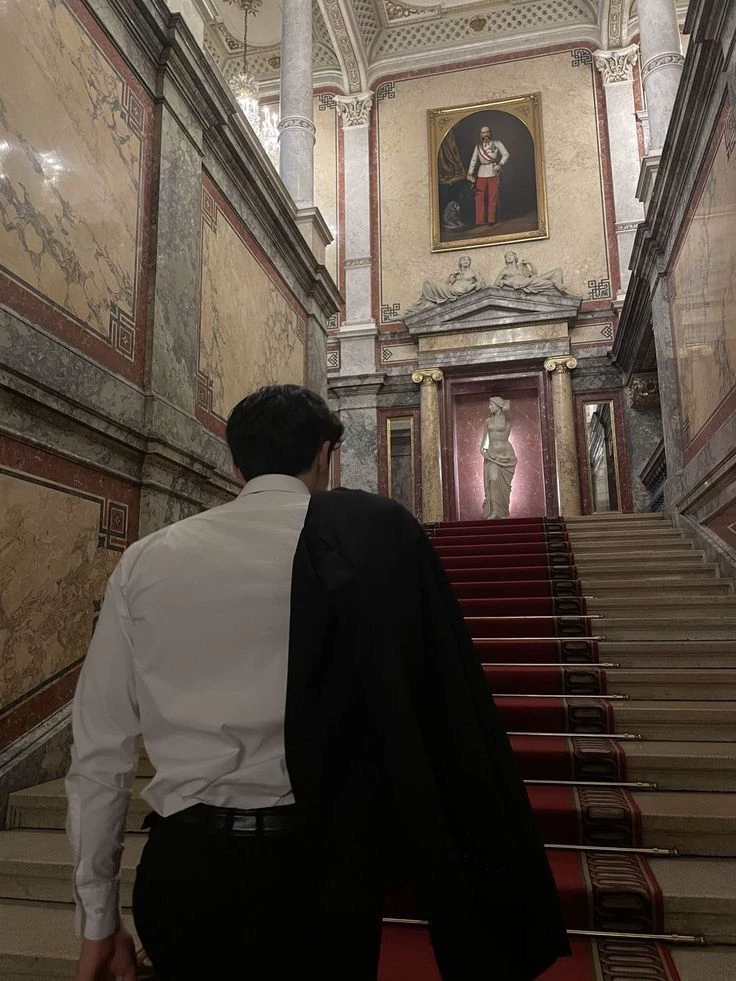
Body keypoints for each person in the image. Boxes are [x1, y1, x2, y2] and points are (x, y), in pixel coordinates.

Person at [65, 383, 569, 981]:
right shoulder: (369, 545)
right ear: (326, 454)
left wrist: (98, 917)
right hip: (323, 867)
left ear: (236, 465)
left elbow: (99, 755)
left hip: (186, 869)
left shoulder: (144, 561)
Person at [405, 255, 485, 315]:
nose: (466, 261)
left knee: (428, 281)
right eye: (464, 259)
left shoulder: (473, 272)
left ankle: (425, 304)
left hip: (458, 292)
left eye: (468, 260)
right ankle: (426, 304)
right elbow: (446, 283)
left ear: (470, 262)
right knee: (427, 282)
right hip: (451, 291)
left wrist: (472, 286)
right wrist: (452, 275)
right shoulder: (457, 273)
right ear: (460, 262)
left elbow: (480, 283)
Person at [481, 396, 517, 519]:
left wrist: (502, 404)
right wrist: (482, 449)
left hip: (506, 456)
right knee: (493, 479)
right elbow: (484, 439)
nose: (489, 407)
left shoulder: (507, 419)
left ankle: (503, 511)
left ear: (498, 405)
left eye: (491, 404)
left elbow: (507, 405)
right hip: (492, 456)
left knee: (504, 487)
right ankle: (494, 511)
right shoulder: (488, 422)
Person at [467, 124, 510, 227]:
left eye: (487, 132)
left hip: (492, 172)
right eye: (483, 133)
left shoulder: (497, 143)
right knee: (479, 197)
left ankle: (491, 219)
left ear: (490, 133)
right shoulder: (478, 147)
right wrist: (470, 173)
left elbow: (506, 154)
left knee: (492, 196)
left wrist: (500, 165)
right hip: (481, 173)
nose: (485, 134)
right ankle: (480, 220)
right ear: (481, 134)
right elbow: (473, 160)